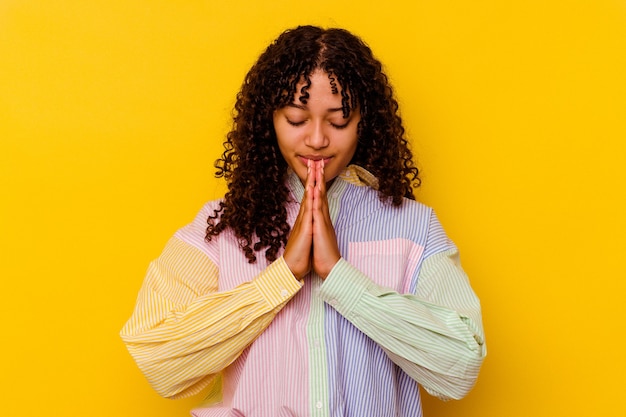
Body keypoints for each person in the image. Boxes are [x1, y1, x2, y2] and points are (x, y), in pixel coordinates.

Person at [120, 25, 486, 417]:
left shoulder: (413, 228)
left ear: (365, 121)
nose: (316, 139)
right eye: (296, 119)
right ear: (269, 121)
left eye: (339, 121)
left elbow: (460, 366)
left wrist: (339, 276)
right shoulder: (220, 229)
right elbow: (158, 360)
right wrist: (283, 276)